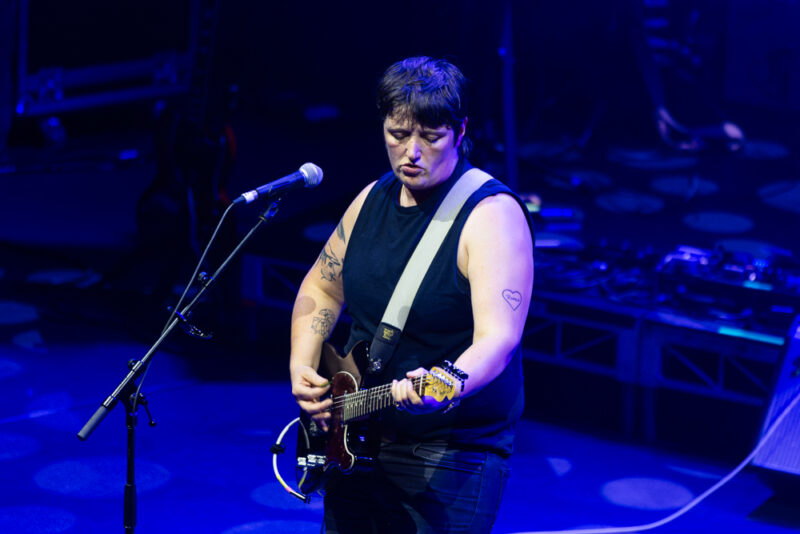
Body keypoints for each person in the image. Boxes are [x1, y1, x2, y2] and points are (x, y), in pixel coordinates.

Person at [289, 56, 534, 533]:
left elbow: (499, 338)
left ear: (461, 132)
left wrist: (450, 383)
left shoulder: (491, 217)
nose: (412, 152)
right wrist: (302, 364)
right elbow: (321, 285)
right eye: (398, 135)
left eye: (431, 137)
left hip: (450, 451)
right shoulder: (371, 199)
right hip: (356, 434)